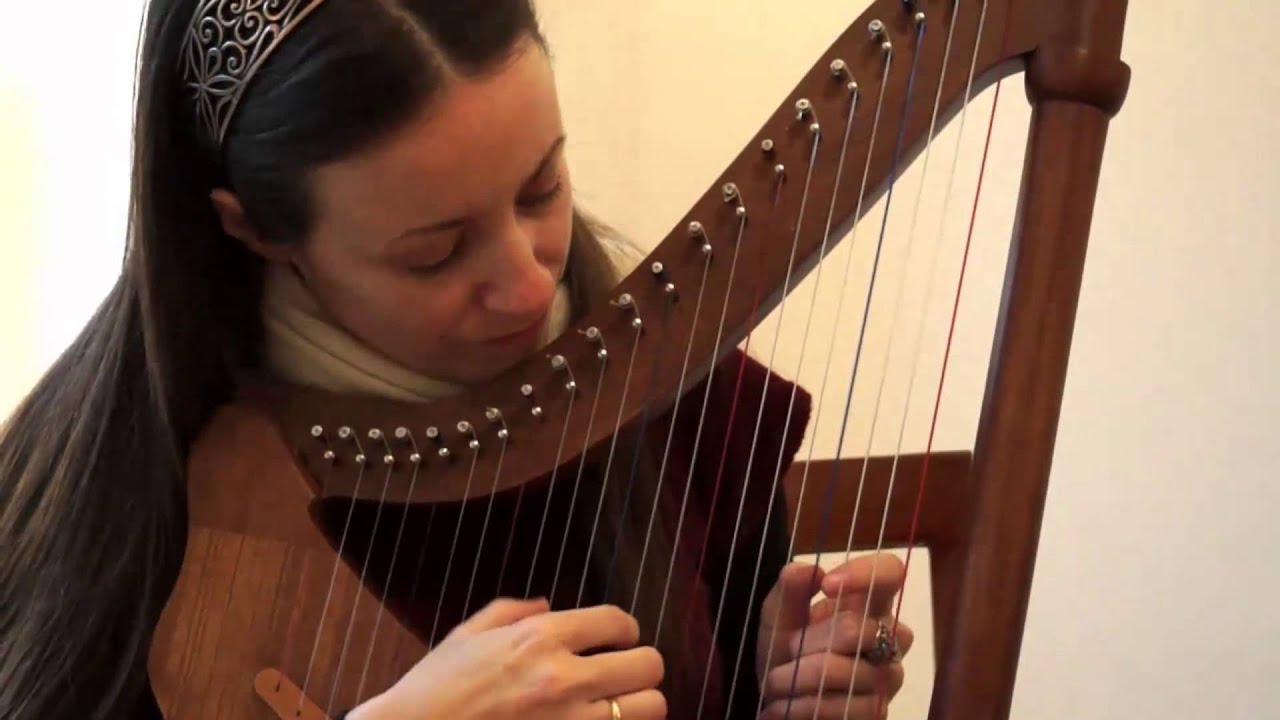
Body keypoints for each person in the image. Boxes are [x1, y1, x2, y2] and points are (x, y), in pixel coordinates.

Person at [0, 1, 915, 718]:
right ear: (257, 229)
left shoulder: (683, 402)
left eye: (541, 188)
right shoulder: (106, 482)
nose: (525, 286)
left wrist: (787, 695)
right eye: (434, 252)